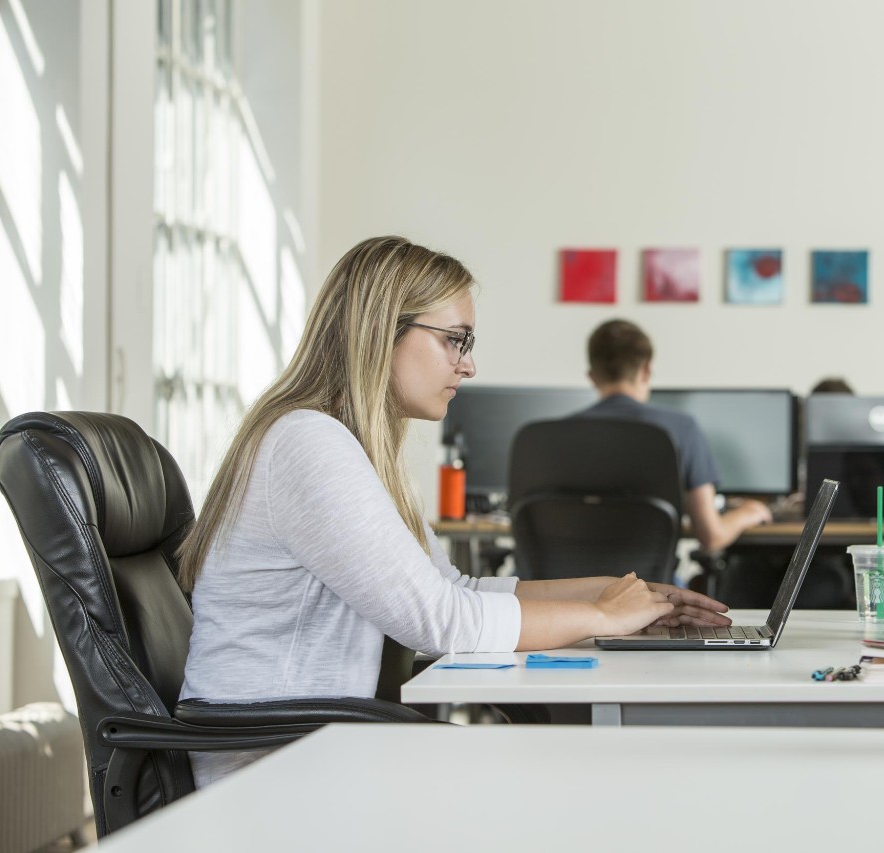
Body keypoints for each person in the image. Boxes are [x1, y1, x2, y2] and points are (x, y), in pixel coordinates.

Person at [176, 237, 730, 787]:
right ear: (382, 329)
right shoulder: (309, 443)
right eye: (455, 340)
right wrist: (604, 619)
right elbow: (439, 621)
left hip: (317, 750)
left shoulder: (347, 447)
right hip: (272, 773)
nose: (468, 365)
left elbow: (453, 587)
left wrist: (610, 592)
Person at [570, 319, 772, 553]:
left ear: (592, 376)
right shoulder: (680, 428)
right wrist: (746, 513)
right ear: (646, 371)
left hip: (569, 586)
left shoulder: (551, 436)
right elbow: (711, 536)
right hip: (646, 587)